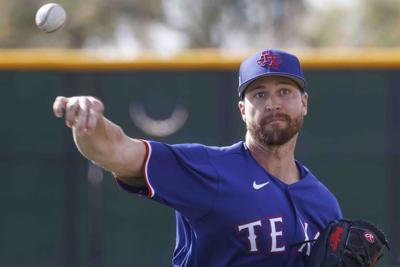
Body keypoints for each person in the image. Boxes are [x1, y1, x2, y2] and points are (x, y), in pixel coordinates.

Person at [53, 49, 342, 267]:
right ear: (243, 109)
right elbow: (116, 151)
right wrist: (88, 123)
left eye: (284, 91)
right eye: (259, 94)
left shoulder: (323, 202)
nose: (273, 103)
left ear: (304, 103)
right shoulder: (208, 169)